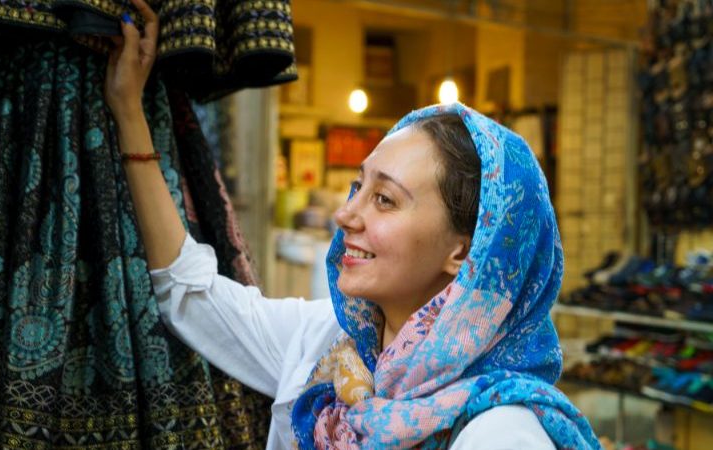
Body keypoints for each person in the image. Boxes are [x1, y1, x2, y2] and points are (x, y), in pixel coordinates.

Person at [105, 1, 601, 449]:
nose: (346, 215)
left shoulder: (499, 432)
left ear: (464, 252)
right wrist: (129, 111)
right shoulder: (332, 348)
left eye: (384, 199)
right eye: (356, 187)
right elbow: (192, 295)